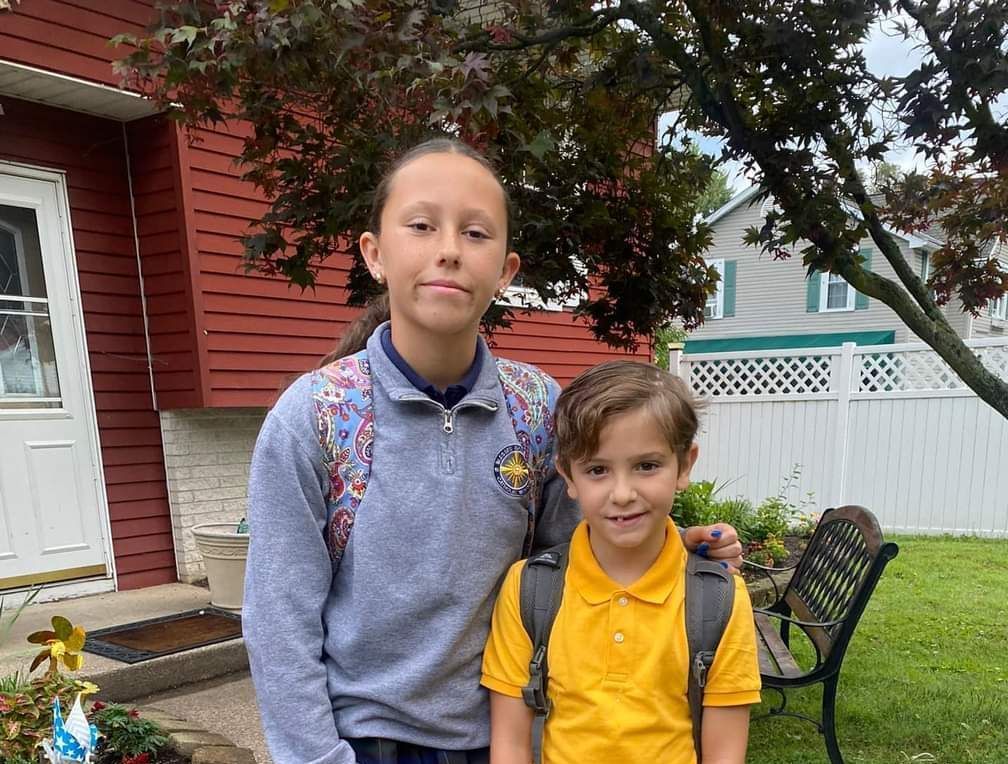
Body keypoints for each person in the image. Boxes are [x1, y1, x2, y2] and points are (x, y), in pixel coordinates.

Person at [242, 138, 743, 764]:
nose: (448, 250)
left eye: (475, 234)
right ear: (376, 254)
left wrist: (675, 550)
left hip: (511, 734)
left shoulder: (537, 408)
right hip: (365, 743)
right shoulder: (313, 416)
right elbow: (278, 621)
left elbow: (576, 552)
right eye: (421, 226)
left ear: (506, 271)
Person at [481, 361, 761, 764]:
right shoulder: (529, 589)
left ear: (684, 465)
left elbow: (725, 754)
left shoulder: (718, 600)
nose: (623, 493)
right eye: (598, 470)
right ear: (569, 477)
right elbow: (510, 744)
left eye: (646, 466)